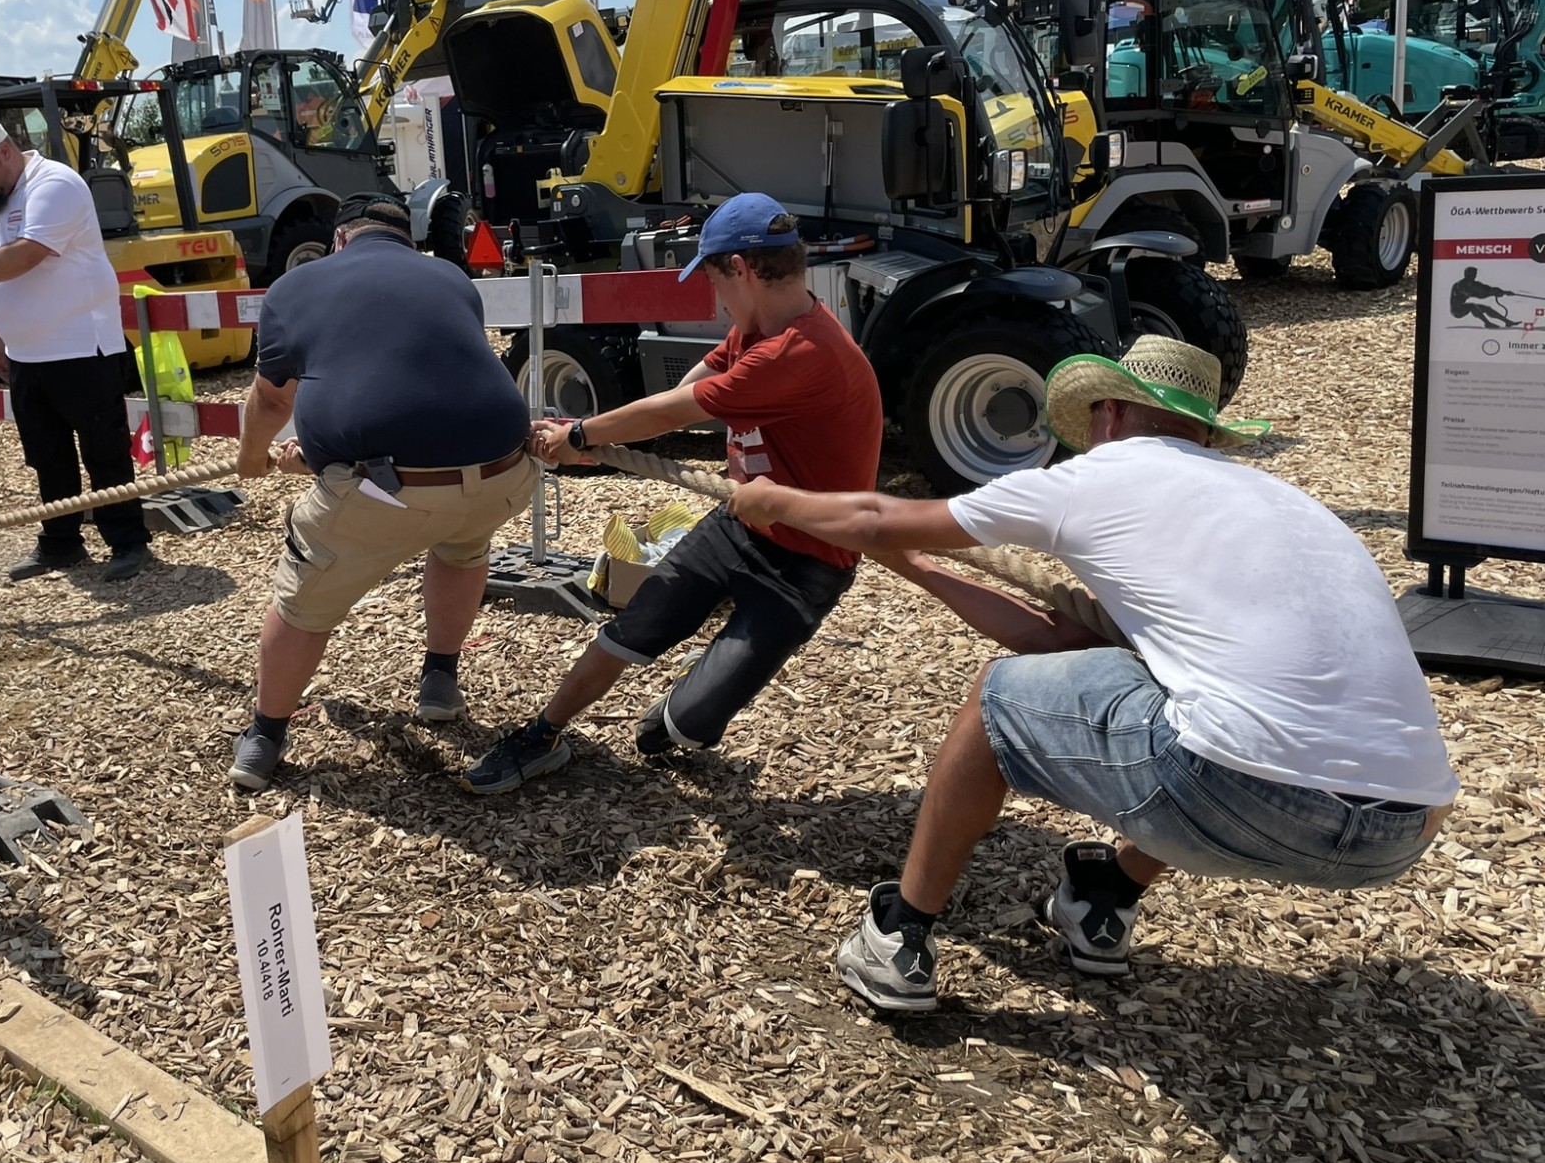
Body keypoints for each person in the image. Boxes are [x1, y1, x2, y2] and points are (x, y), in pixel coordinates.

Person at [729, 336, 1458, 1013]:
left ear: (1108, 412)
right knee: (1200, 695)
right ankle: (1104, 897)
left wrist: (772, 501)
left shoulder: (1101, 474)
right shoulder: (1287, 507)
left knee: (996, 699)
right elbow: (1063, 640)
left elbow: (878, 516)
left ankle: (900, 937)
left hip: (1236, 794)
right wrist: (919, 571)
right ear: (1202, 433)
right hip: (1403, 832)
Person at [461, 192, 884, 795]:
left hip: (809, 561)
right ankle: (543, 733)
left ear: (739, 269)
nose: (715, 299)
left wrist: (581, 433)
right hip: (739, 525)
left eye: (715, 281)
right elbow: (698, 384)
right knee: (630, 629)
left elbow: (675, 409)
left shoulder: (800, 353)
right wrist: (606, 439)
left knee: (679, 733)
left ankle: (685, 708)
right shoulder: (762, 326)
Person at [229, 192, 537, 791]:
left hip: (385, 491)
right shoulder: (450, 277)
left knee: (302, 605)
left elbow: (272, 397)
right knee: (462, 546)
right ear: (407, 241)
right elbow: (421, 374)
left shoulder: (296, 287)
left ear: (341, 239)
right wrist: (320, 454)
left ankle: (265, 735)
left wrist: (251, 459)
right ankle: (441, 681)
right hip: (504, 473)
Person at [0, 116, 153, 584]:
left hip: (82, 345)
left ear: (4, 150)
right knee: (46, 454)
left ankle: (127, 541)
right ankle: (61, 541)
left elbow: (25, 255)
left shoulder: (56, 184)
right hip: (27, 352)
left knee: (104, 450)